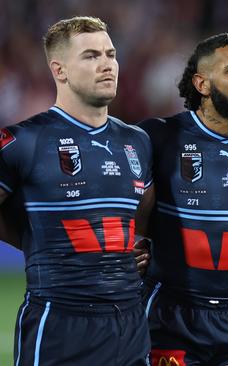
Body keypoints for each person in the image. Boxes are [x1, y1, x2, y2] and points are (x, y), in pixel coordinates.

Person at [0, 16, 153, 365]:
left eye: (110, 54)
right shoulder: (25, 141)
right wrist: (32, 239)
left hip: (130, 325)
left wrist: (146, 248)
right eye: (90, 56)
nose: (107, 64)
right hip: (58, 324)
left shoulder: (136, 142)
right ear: (60, 70)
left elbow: (145, 218)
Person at [138, 33, 228, 366]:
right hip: (169, 316)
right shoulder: (158, 136)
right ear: (202, 83)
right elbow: (111, 204)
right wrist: (117, 252)